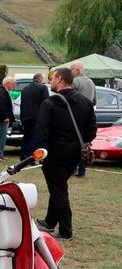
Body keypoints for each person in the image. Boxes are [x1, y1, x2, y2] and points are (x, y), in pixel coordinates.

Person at [35, 68, 96, 241]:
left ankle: (65, 230)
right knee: (59, 186)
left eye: (53, 78)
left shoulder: (50, 104)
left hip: (54, 154)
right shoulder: (85, 103)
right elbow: (91, 132)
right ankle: (50, 220)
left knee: (59, 189)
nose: (51, 81)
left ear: (60, 79)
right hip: (75, 154)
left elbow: (42, 132)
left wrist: (43, 151)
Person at [70, 61, 96, 177]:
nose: (70, 72)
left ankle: (73, 168)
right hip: (89, 115)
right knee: (85, 143)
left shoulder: (75, 81)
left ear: (77, 70)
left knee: (74, 141)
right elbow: (95, 100)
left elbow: (69, 98)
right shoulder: (91, 82)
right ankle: (82, 170)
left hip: (76, 115)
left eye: (71, 70)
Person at [19, 73, 49, 160]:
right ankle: (30, 157)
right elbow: (46, 103)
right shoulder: (42, 88)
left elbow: (22, 104)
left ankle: (23, 155)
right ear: (40, 79)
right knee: (34, 137)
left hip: (25, 116)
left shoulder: (25, 89)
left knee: (26, 136)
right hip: (37, 117)